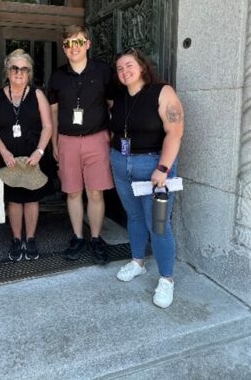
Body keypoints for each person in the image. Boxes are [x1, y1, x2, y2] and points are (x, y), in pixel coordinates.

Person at [109, 48, 184, 308]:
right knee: (135, 217)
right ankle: (138, 261)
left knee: (159, 225)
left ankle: (166, 279)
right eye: (119, 68)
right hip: (121, 163)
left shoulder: (162, 92)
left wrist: (163, 168)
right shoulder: (119, 97)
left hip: (153, 166)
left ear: (141, 66)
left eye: (128, 65)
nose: (124, 71)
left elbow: (175, 133)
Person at [47, 25, 114, 264]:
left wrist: (113, 136)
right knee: (73, 191)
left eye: (78, 42)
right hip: (67, 140)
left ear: (87, 44)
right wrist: (55, 142)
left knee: (95, 192)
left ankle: (96, 238)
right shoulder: (57, 76)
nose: (73, 48)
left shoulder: (104, 71)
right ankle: (78, 237)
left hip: (97, 139)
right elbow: (54, 114)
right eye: (68, 44)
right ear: (64, 49)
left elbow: (112, 104)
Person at [0, 49, 53, 261]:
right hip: (10, 158)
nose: (19, 72)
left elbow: (48, 126)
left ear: (30, 73)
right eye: (15, 68)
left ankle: (30, 238)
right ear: (7, 70)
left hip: (33, 157)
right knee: (14, 200)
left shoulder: (38, 94)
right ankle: (16, 238)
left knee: (32, 199)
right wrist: (3, 151)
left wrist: (40, 152)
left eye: (24, 69)